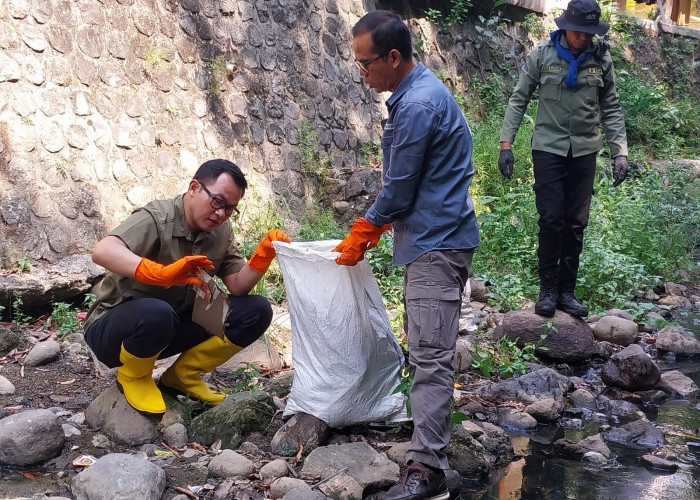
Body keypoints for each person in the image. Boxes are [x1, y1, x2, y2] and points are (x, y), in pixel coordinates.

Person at [334, 10, 479, 499]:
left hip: (437, 243)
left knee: (432, 358)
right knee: (426, 350)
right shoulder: (416, 94)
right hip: (432, 240)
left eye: (366, 64)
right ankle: (426, 452)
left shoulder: (417, 104)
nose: (363, 74)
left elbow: (399, 188)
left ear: (393, 58)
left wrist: (367, 225)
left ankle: (427, 471)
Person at [83, 159, 290, 415]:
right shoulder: (157, 218)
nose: (222, 214)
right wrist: (161, 273)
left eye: (230, 209)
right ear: (194, 187)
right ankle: (134, 376)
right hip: (117, 331)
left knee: (256, 310)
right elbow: (103, 250)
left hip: (169, 328)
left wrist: (263, 256)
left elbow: (237, 286)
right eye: (218, 201)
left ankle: (183, 376)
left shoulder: (221, 232)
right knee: (156, 313)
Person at [498, 0, 628, 318]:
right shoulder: (542, 55)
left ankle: (567, 293)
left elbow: (611, 107)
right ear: (565, 27)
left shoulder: (601, 59)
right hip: (548, 148)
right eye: (578, 32)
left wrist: (620, 152)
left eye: (588, 33)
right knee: (551, 219)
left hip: (584, 151)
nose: (583, 39)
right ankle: (547, 291)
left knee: (575, 224)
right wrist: (506, 144)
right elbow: (519, 99)